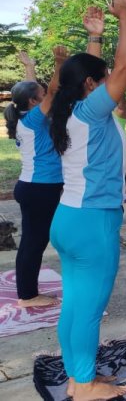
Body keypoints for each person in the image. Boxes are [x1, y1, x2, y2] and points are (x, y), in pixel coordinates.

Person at [47, 0, 126, 400]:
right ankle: (82, 387)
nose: (109, 87)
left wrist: (94, 38)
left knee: (75, 305)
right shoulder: (89, 112)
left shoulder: (67, 113)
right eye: (101, 83)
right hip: (93, 221)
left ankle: (76, 375)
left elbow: (93, 72)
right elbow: (125, 67)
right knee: (88, 310)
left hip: (69, 218)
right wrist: (125, 18)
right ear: (90, 86)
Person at [5, 47, 66, 308]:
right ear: (33, 102)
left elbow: (35, 91)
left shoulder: (24, 117)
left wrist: (29, 67)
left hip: (33, 187)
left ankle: (27, 293)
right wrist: (59, 62)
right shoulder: (32, 121)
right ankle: (28, 296)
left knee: (34, 240)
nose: (44, 97)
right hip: (40, 188)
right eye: (39, 96)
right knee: (33, 242)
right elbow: (51, 91)